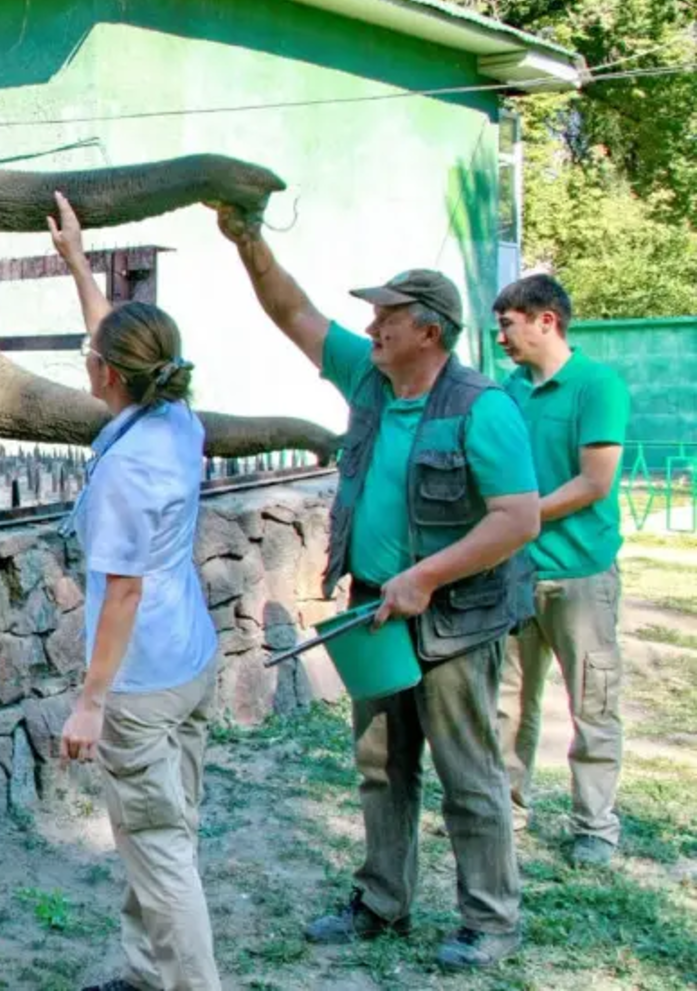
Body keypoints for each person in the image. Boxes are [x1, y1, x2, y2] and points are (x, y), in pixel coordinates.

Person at [211, 203, 540, 971]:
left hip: (456, 615)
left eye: (387, 316)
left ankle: (490, 922)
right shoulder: (368, 380)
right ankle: (383, 901)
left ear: (429, 330)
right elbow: (293, 312)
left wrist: (425, 577)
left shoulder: (481, 408)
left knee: (469, 774)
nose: (371, 329)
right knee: (380, 765)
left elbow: (518, 519)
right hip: (375, 606)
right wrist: (248, 242)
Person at [51, 192, 222, 991]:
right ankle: (149, 974)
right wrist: (79, 264)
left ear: (108, 375)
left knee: (156, 848)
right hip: (189, 661)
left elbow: (119, 594)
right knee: (165, 830)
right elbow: (113, 340)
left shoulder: (123, 468)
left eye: (91, 358)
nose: (86, 362)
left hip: (141, 678)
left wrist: (91, 701)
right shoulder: (177, 418)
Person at [490, 273, 631, 867]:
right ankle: (506, 810)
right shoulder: (508, 390)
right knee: (507, 702)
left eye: (508, 324)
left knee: (592, 702)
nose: (502, 337)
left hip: (580, 574)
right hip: (514, 572)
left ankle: (594, 827)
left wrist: (518, 517)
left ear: (546, 320)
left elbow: (594, 482)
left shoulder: (597, 385)